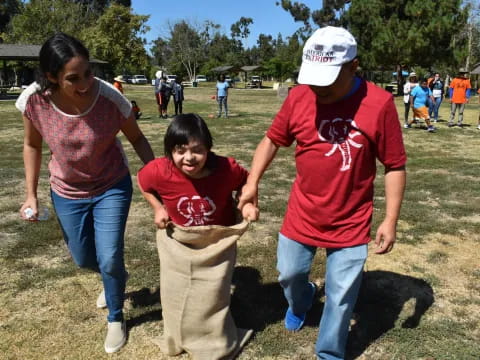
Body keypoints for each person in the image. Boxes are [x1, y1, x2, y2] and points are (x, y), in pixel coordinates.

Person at [237, 26, 407, 360]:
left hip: (351, 219)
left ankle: (329, 352)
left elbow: (395, 165)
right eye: (312, 78)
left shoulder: (379, 103)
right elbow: (272, 140)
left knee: (342, 295)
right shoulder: (299, 96)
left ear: (353, 67)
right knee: (290, 274)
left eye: (327, 80)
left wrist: (390, 219)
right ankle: (302, 300)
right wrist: (252, 181)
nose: (317, 87)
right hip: (303, 211)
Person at [15, 32, 155, 354]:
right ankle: (114, 275)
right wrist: (31, 194)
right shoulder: (35, 101)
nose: (85, 83)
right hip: (66, 190)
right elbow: (31, 145)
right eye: (73, 78)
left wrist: (162, 177)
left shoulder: (110, 99)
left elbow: (137, 139)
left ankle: (116, 317)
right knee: (82, 259)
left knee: (109, 256)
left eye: (88, 72)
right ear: (51, 77)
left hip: (111, 185)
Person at [137, 114, 258, 358]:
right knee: (174, 292)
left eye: (197, 150)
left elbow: (247, 182)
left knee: (214, 293)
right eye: (180, 150)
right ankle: (178, 335)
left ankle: (213, 340)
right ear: (170, 150)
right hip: (178, 243)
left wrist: (246, 204)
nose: (189, 158)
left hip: (216, 244)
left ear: (208, 149)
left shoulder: (226, 169)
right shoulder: (159, 170)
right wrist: (158, 208)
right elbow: (143, 184)